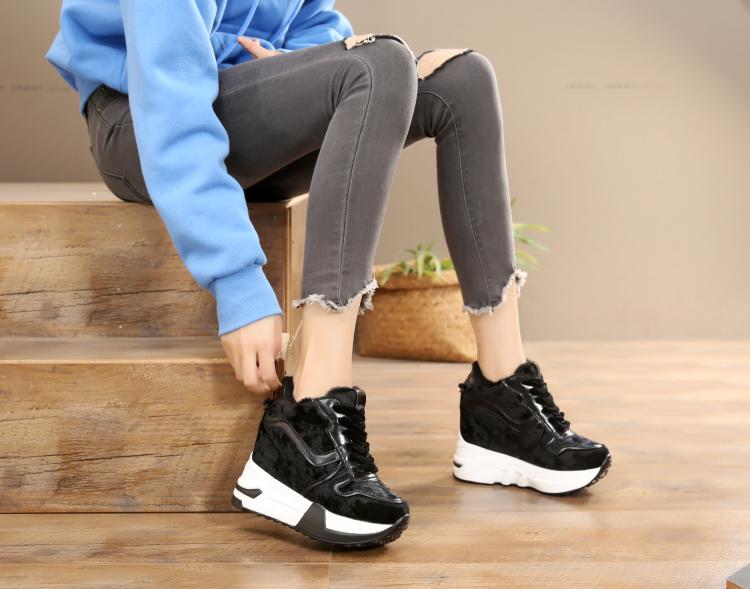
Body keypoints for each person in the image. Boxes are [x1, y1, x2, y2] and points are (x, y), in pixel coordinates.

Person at [47, 0, 611, 548]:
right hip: (140, 119)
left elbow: (316, 23)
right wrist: (237, 280)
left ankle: (500, 399)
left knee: (460, 77)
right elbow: (171, 102)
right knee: (379, 63)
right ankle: (308, 415)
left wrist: (295, 64)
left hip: (237, 99)